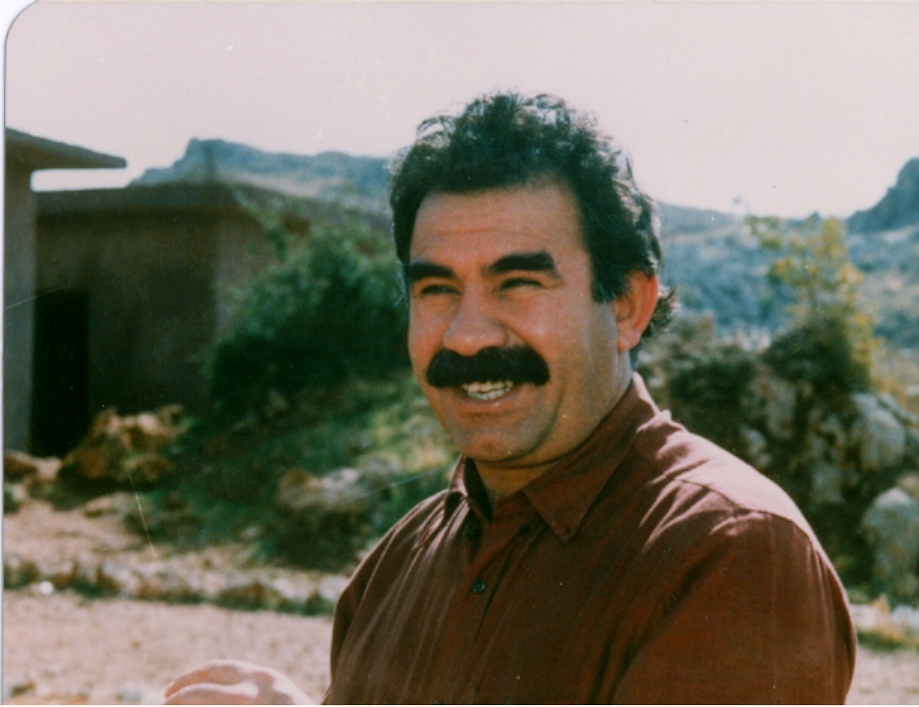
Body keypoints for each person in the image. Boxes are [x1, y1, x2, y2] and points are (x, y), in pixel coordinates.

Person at [164, 92, 855, 705]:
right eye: (437, 289)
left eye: (518, 283)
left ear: (626, 305)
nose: (467, 335)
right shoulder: (398, 563)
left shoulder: (730, 552)